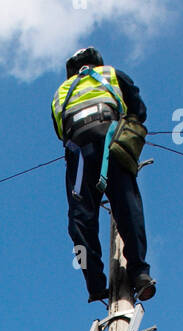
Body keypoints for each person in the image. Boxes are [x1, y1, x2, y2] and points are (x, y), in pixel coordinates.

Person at [52, 47, 156, 304]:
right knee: (127, 205)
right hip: (111, 144)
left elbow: (59, 129)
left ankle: (96, 284)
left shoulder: (60, 92)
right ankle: (139, 272)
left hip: (78, 155)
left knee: (80, 220)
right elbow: (138, 108)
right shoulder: (111, 74)